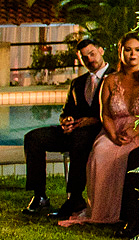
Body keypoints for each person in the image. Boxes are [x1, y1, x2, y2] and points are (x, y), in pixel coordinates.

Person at [60, 33, 139, 226]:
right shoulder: (110, 80)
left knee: (129, 156)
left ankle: (127, 210)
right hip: (113, 129)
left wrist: (135, 131)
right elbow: (104, 113)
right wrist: (113, 134)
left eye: (137, 50)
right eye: (128, 50)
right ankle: (102, 210)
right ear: (120, 52)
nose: (132, 55)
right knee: (101, 152)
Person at [23, 38, 110, 216]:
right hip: (74, 132)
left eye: (92, 54)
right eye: (85, 58)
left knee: (79, 141)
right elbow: (66, 111)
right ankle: (39, 196)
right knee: (33, 138)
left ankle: (74, 198)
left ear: (101, 50)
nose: (90, 60)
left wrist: (92, 120)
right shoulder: (78, 83)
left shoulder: (116, 76)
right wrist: (66, 120)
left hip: (100, 132)